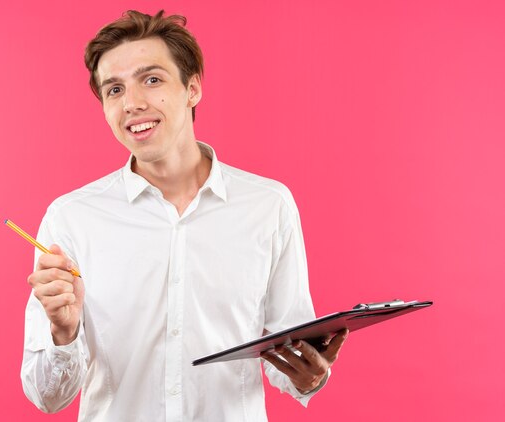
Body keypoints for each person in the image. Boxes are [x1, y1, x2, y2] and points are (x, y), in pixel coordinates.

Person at [21, 10, 348, 421]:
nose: (133, 103)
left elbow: (287, 351)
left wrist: (309, 376)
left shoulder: (268, 206)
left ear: (192, 89)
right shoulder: (70, 219)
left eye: (152, 80)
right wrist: (64, 334)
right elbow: (47, 397)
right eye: (114, 90)